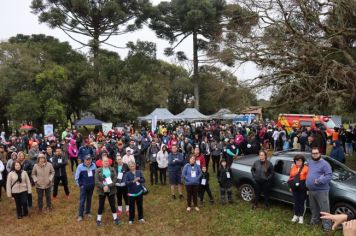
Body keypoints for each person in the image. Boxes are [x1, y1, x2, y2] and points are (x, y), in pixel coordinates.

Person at [306, 147, 332, 232]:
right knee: (314, 208)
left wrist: (320, 180)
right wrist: (295, 165)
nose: (315, 155)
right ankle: (314, 222)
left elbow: (329, 176)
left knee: (324, 209)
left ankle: (327, 227)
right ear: (311, 154)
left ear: (319, 154)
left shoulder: (325, 164)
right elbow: (302, 165)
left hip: (321, 191)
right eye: (313, 153)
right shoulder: (310, 162)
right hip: (311, 190)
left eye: (316, 153)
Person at [95, 156, 118, 226]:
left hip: (111, 190)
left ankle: (115, 218)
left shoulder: (112, 169)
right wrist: (103, 186)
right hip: (102, 191)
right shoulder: (98, 170)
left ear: (109, 162)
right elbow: (96, 181)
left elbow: (115, 179)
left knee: (112, 205)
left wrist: (108, 186)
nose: (106, 162)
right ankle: (98, 219)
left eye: (107, 161)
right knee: (101, 205)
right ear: (102, 162)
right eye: (105, 161)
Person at [75, 155, 97, 221]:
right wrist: (80, 185)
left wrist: (94, 183)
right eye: (87, 159)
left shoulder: (94, 165)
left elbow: (96, 175)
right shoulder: (80, 166)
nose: (88, 161)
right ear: (84, 160)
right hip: (83, 187)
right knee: (82, 200)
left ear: (91, 160)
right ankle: (80, 215)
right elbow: (77, 177)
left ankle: (87, 212)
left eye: (89, 159)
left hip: (91, 186)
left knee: (89, 199)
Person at [288, 154, 309, 224]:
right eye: (297, 161)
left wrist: (308, 189)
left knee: (302, 202)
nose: (298, 162)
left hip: (303, 186)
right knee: (296, 201)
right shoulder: (293, 167)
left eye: (300, 161)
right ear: (295, 161)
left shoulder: (306, 168)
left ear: (303, 161)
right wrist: (290, 187)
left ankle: (301, 217)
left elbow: (308, 179)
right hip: (295, 186)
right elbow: (290, 177)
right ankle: (296, 215)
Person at [124, 160, 145, 224]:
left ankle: (140, 218)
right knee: (131, 207)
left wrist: (139, 179)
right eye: (131, 166)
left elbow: (143, 179)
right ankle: (131, 219)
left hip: (139, 192)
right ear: (129, 167)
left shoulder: (139, 172)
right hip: (131, 193)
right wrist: (133, 181)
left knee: (140, 205)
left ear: (135, 166)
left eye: (133, 166)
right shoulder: (127, 174)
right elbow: (126, 183)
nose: (132, 167)